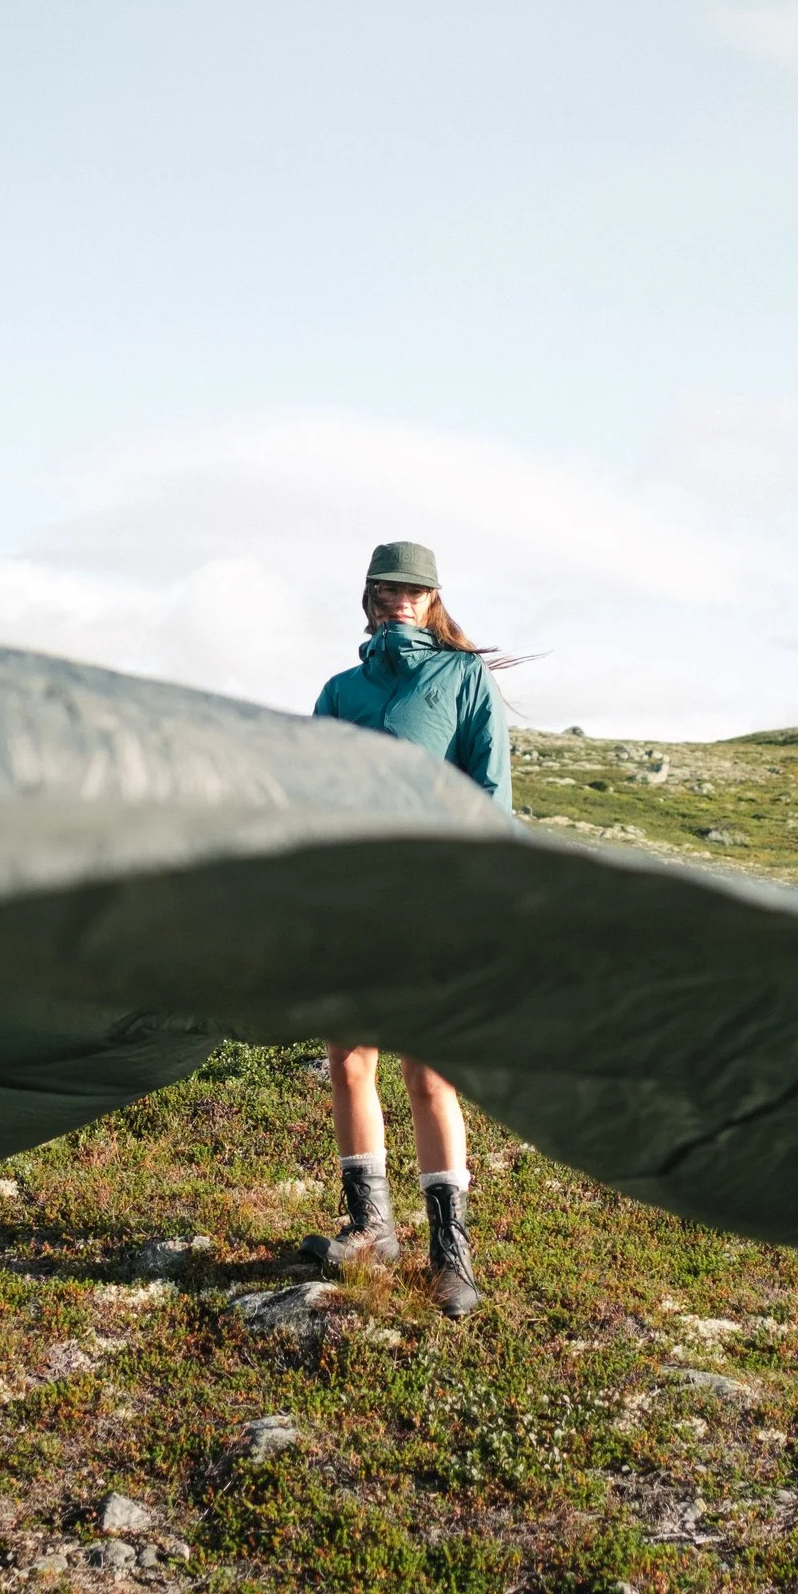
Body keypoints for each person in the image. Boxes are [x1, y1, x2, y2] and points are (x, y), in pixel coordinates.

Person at [300, 540, 511, 1317]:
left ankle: (450, 1255)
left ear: (432, 600)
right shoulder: (340, 689)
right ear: (367, 597)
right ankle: (369, 1231)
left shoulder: (461, 679)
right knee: (350, 1062)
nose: (398, 598)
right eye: (385, 588)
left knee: (430, 1074)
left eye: (412, 590)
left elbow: (489, 792)